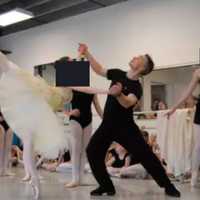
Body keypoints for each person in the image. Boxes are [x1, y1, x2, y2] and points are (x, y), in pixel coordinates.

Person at [78, 43, 181, 197]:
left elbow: (128, 103)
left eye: (139, 58)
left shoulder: (137, 87)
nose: (134, 56)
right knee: (92, 151)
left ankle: (167, 185)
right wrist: (87, 53)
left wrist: (119, 94)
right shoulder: (117, 74)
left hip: (125, 127)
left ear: (142, 68)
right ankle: (106, 186)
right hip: (107, 125)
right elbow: (99, 69)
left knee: (146, 155)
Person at [0, 51, 72, 199]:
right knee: (12, 70)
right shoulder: (58, 85)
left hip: (40, 112)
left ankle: (33, 177)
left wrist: (105, 91)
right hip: (35, 106)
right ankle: (34, 178)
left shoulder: (70, 85)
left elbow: (83, 91)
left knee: (30, 145)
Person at [166, 69, 200, 187]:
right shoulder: (198, 73)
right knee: (198, 147)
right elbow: (187, 92)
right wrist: (174, 108)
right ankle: (194, 175)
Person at [65, 90, 103, 188]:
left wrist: (106, 118)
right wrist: (70, 112)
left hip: (88, 120)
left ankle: (80, 179)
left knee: (84, 151)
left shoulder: (92, 90)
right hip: (75, 120)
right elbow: (63, 105)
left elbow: (97, 106)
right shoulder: (72, 89)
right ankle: (74, 178)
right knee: (76, 150)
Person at [0, 111, 13, 176]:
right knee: (1, 148)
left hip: (8, 123)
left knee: (7, 149)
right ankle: (1, 168)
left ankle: (5, 169)